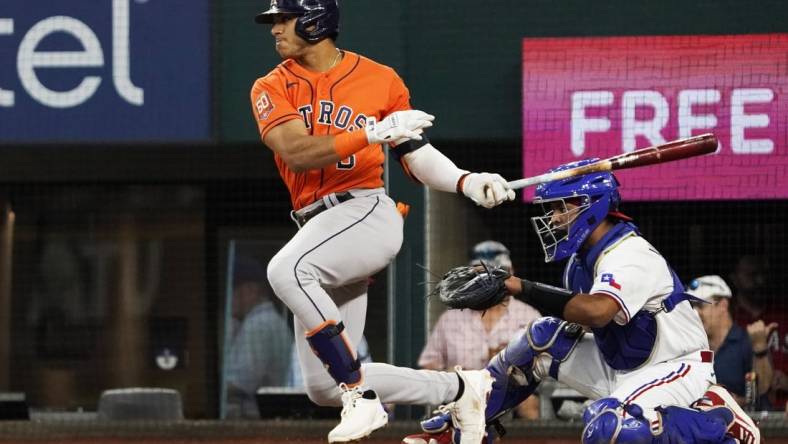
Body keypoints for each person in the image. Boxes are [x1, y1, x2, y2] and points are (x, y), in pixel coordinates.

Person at [250, 1, 516, 442]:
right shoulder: (270, 85)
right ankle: (464, 387)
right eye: (274, 20)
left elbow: (417, 155)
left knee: (287, 270)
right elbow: (296, 151)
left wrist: (466, 181)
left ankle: (362, 397)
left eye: (285, 18)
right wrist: (371, 132)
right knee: (321, 387)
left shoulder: (380, 79)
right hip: (318, 229)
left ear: (316, 21)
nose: (275, 28)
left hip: (365, 212)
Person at [405, 159, 761, 443]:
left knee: (608, 426)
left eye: (562, 207)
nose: (555, 217)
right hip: (623, 366)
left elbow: (600, 313)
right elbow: (575, 325)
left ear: (591, 206)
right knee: (541, 339)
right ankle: (466, 422)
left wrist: (517, 286)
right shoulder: (580, 263)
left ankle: (717, 421)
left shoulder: (630, 252)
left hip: (676, 366)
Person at [417, 241, 541, 420]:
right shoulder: (452, 317)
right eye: (485, 276)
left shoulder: (528, 314)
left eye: (498, 275)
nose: (492, 282)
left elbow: (544, 363)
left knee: (529, 406)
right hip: (463, 391)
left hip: (512, 391)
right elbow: (428, 364)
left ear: (511, 273)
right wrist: (453, 373)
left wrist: (513, 358)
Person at [687, 275, 775, 409]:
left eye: (700, 306)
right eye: (692, 306)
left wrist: (760, 349)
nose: (695, 313)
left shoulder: (747, 342)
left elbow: (763, 389)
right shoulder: (691, 348)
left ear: (722, 305)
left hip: (746, 426)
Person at [224, 255, 292, 419]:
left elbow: (241, 382)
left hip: (255, 418)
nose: (228, 299)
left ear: (250, 290)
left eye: (232, 291)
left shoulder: (258, 324)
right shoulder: (270, 320)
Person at [729, 254, 788, 408]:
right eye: (751, 275)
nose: (760, 280)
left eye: (763, 274)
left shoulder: (783, 316)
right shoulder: (728, 320)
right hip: (744, 415)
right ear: (735, 279)